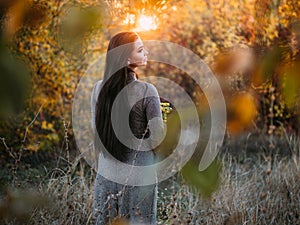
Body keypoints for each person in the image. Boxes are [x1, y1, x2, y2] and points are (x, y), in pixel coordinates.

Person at [91, 31, 165, 225]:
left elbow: (97, 135)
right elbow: (159, 139)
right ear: (126, 58)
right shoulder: (147, 91)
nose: (146, 52)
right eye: (140, 50)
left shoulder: (98, 89)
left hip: (106, 173)